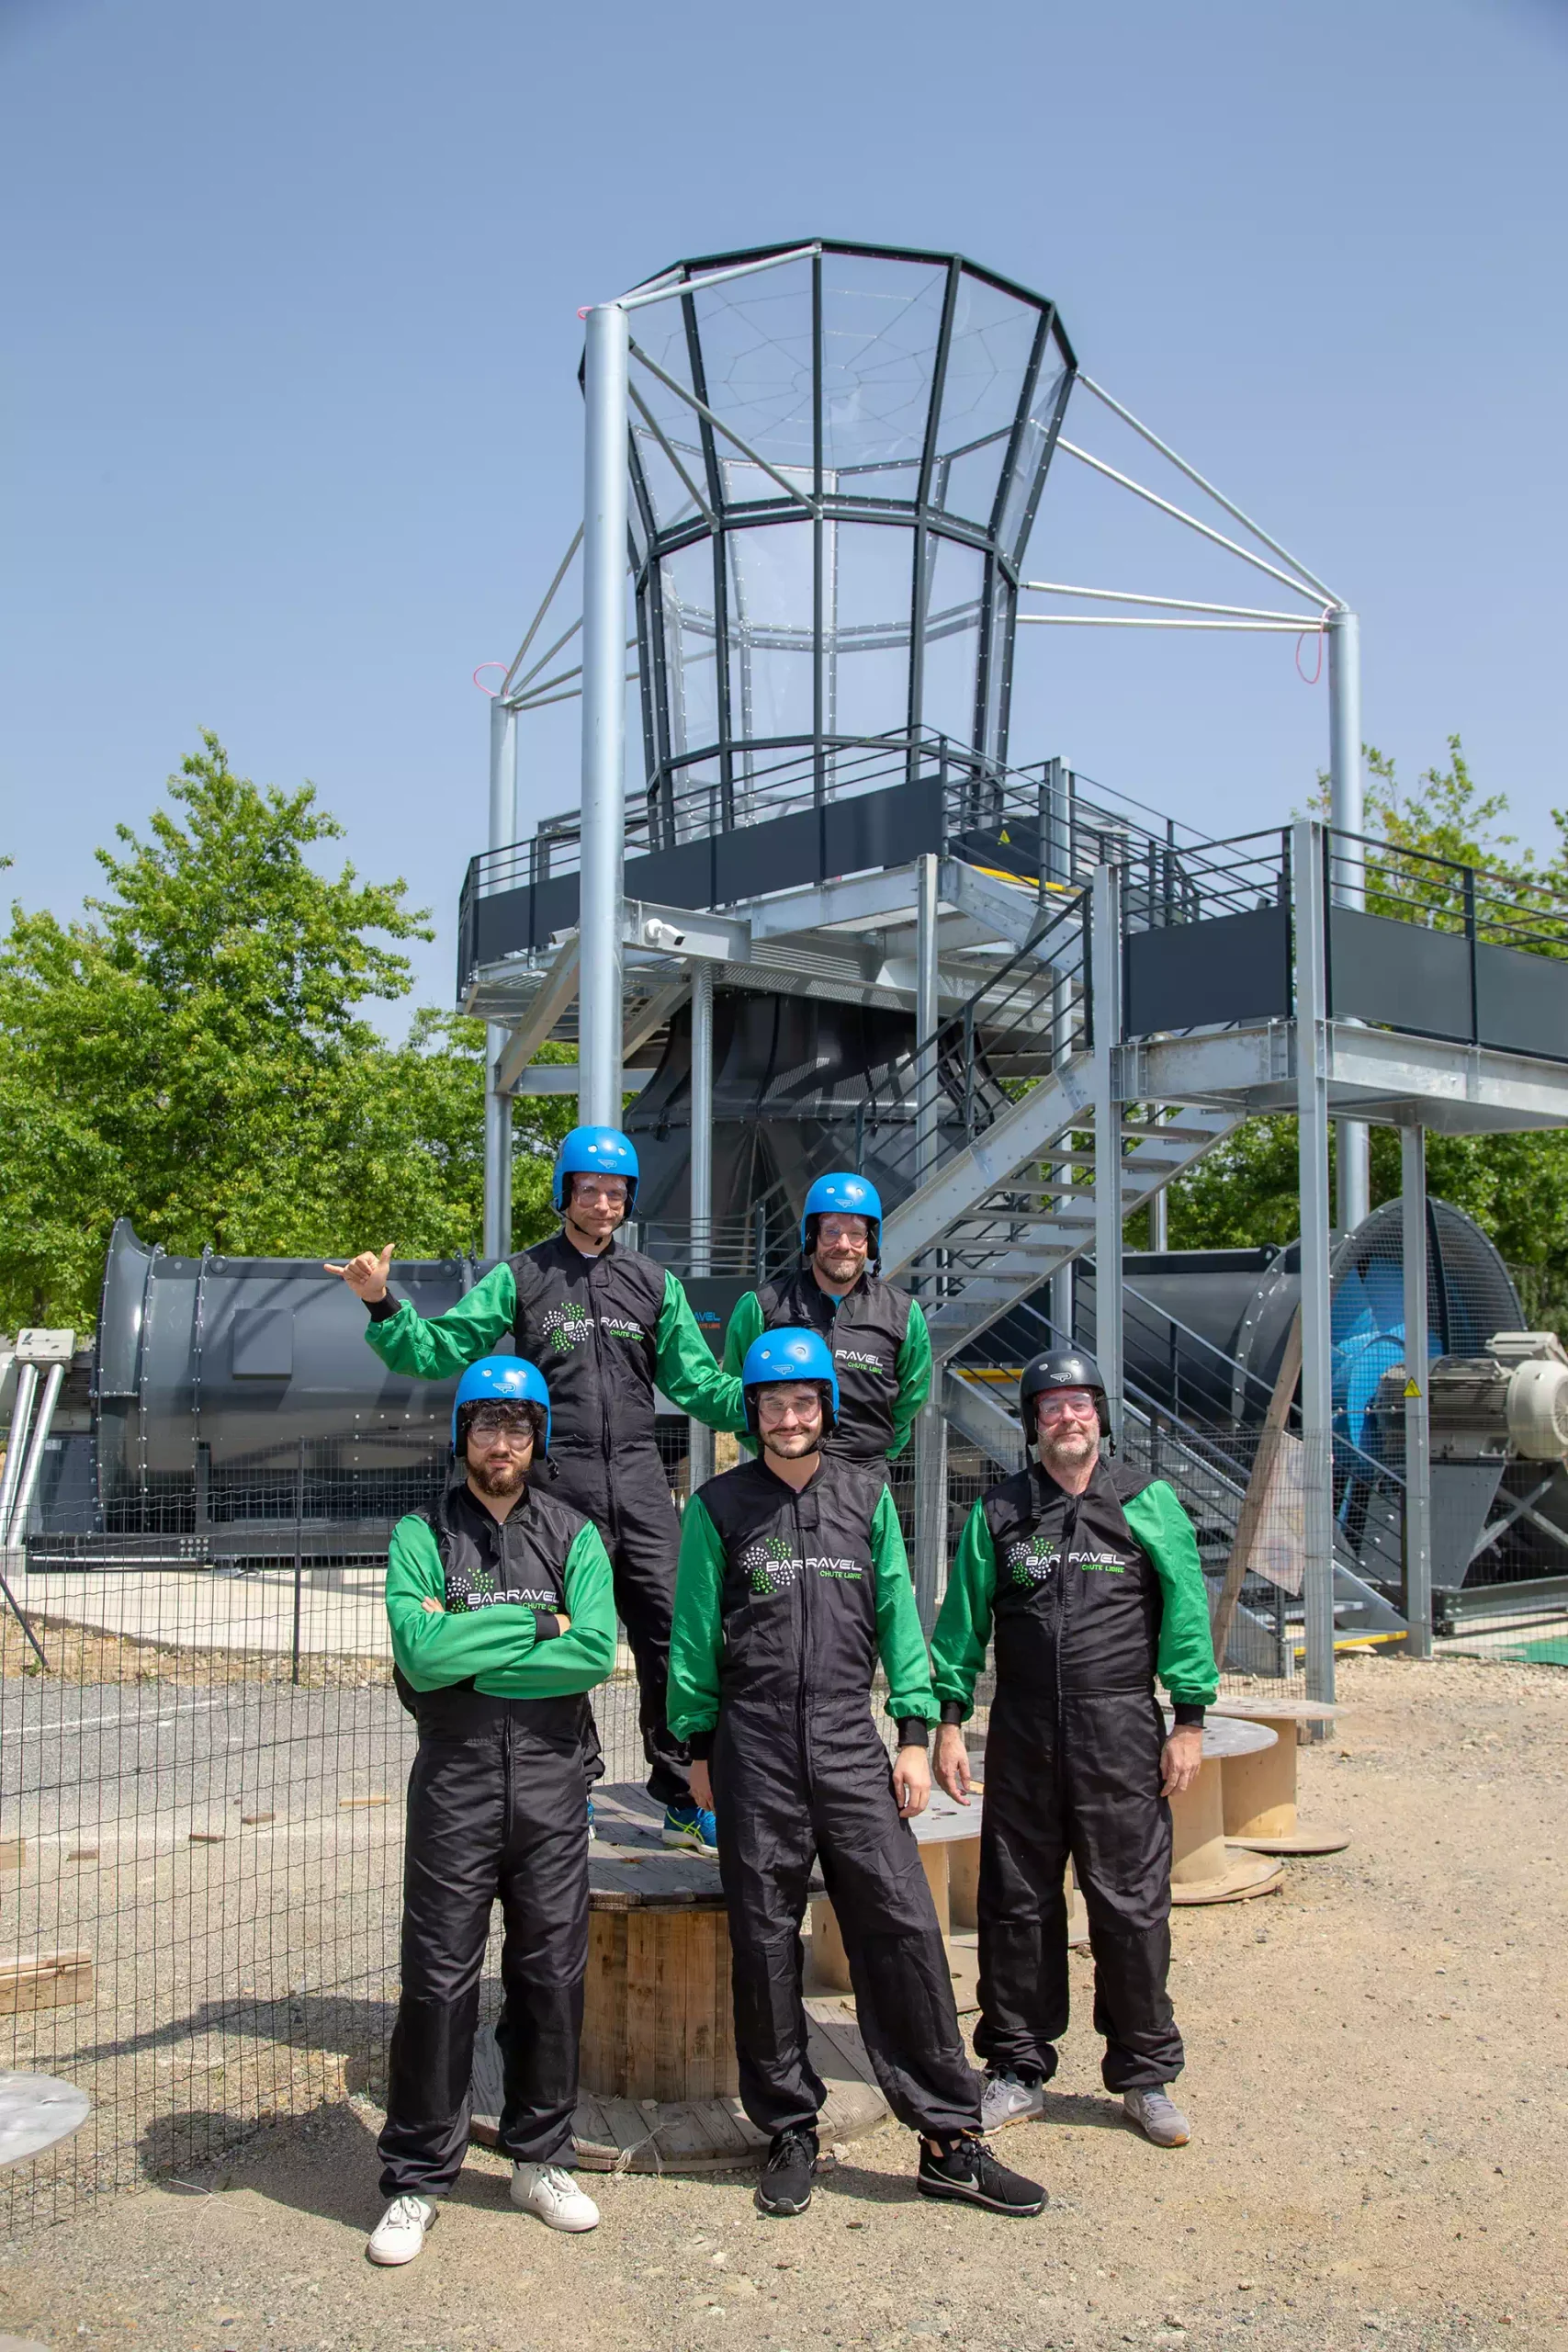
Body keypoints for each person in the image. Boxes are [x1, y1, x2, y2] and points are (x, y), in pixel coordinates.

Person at [669, 1328, 1044, 2222]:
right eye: (772, 1403)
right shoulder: (718, 1508)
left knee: (903, 1924)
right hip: (752, 1746)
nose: (789, 1416)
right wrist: (694, 1746)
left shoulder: (863, 1493)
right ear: (751, 1412)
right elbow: (691, 1636)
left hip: (844, 1737)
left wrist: (914, 1729)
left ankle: (950, 2140)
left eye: (804, 1402)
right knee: (765, 1942)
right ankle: (791, 2129)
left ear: (826, 1410)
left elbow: (898, 1618)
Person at [327, 1125, 747, 1857]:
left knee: (672, 1640)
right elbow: (442, 1348)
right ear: (564, 1194)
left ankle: (684, 1796)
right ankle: (571, 1789)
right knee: (562, 1639)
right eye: (590, 1190)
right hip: (557, 1490)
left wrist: (776, 1403)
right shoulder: (520, 1277)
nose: (604, 1203)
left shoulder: (655, 1284)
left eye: (617, 1193)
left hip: (644, 1486)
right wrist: (380, 1303)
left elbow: (696, 1382)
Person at [930, 1346, 1217, 2151]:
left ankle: (1144, 2074)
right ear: (1031, 1424)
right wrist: (950, 1719)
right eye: (1050, 1406)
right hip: (1020, 1731)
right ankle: (1017, 2067)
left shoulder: (1147, 1502)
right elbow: (962, 1623)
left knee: (1129, 1904)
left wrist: (1188, 1719)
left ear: (1100, 1415)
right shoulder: (999, 1511)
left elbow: (1186, 1610)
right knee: (1016, 1902)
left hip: (1120, 1728)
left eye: (1080, 1404)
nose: (1067, 1417)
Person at [367, 1355, 618, 2267]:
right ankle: (416, 2174)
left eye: (518, 1427)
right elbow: (421, 1657)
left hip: (552, 1783)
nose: (502, 1443)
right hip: (456, 1782)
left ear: (537, 1437)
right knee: (437, 1981)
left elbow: (592, 1650)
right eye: (486, 1426)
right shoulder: (419, 1532)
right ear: (462, 1436)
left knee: (551, 1974)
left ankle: (540, 2155)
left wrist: (473, 1637)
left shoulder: (575, 1533)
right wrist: (532, 1625)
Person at [721, 1173, 931, 1466]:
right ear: (811, 1236)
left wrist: (874, 1454)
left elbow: (910, 1401)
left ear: (870, 1241)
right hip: (781, 1479)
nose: (843, 1245)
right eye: (831, 1231)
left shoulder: (902, 1313)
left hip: (864, 1482)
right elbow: (736, 1393)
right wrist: (771, 1453)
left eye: (856, 1233)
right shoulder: (762, 1307)